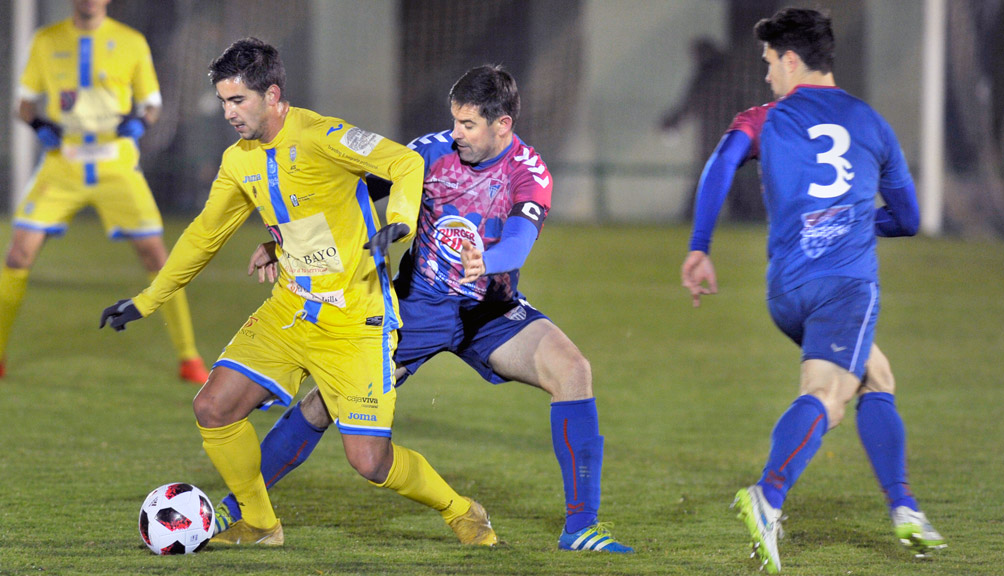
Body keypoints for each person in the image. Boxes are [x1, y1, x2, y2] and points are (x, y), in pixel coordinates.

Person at [215, 65, 633, 553]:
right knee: (322, 405)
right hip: (416, 308)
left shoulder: (528, 172)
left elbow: (517, 244)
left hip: (489, 312)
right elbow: (339, 199)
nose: (456, 134)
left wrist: (489, 261)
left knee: (573, 370)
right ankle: (238, 504)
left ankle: (581, 528)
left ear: (503, 125)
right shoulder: (429, 153)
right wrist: (280, 240)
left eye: (469, 125)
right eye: (454, 121)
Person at [100, 37, 496, 548]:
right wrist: (147, 299)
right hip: (289, 310)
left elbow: (404, 163)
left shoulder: (325, 135)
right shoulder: (238, 161)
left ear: (273, 95)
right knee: (213, 407)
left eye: (238, 100)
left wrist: (396, 221)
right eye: (223, 101)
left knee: (370, 462)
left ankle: (461, 511)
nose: (228, 112)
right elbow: (204, 235)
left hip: (355, 320)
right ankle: (262, 525)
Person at [680, 8, 946, 574]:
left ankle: (905, 509)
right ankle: (769, 496)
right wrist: (855, 222)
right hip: (845, 288)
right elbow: (908, 219)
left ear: (793, 60)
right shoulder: (871, 124)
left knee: (876, 375)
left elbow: (721, 164)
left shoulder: (764, 118)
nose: (768, 74)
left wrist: (700, 245)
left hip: (786, 290)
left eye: (770, 63)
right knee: (828, 396)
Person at [0, 0, 208, 384]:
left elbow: (152, 106)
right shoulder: (46, 40)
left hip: (116, 164)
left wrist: (140, 124)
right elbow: (24, 105)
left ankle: (189, 357)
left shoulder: (131, 41)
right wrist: (40, 124)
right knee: (17, 253)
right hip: (63, 163)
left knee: (157, 257)